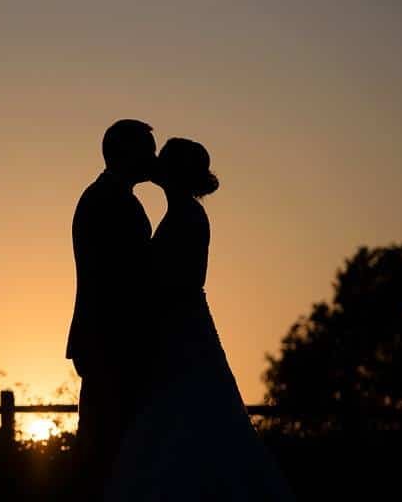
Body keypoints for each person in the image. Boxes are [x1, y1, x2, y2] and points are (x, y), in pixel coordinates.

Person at [103, 138, 295, 501]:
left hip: (182, 331)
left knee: (186, 412)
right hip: (181, 327)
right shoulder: (181, 213)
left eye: (164, 160)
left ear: (174, 172)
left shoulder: (187, 216)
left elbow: (185, 280)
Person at [66, 119, 157, 500]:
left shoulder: (111, 197)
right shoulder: (107, 201)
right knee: (106, 449)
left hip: (110, 339)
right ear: (126, 153)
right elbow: (118, 277)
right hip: (111, 340)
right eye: (146, 151)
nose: (153, 158)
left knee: (113, 446)